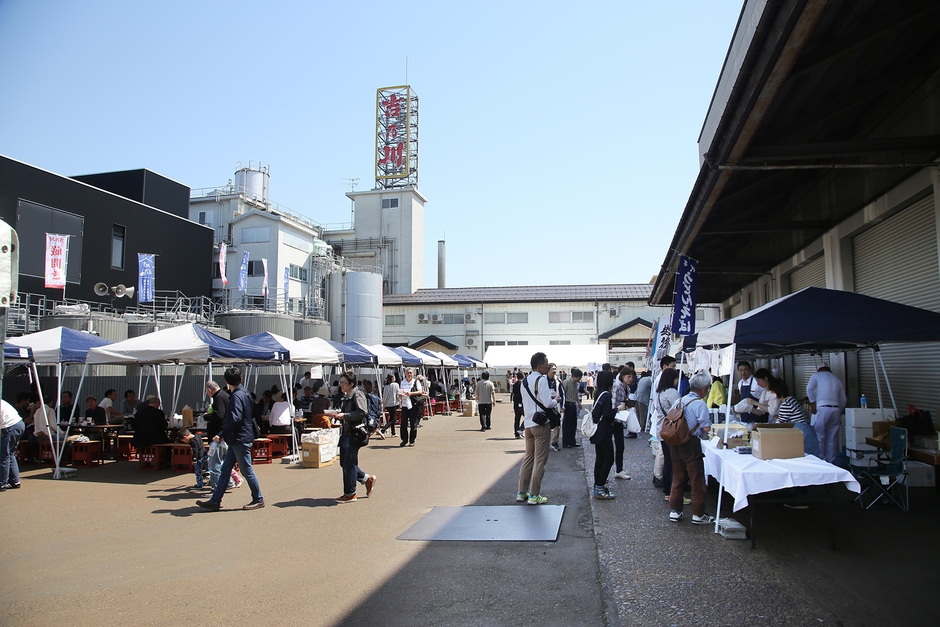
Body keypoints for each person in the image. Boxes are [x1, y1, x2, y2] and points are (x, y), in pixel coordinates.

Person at [197, 367, 265, 511]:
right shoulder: (245, 393)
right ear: (241, 378)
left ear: (226, 381)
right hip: (241, 436)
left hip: (239, 437)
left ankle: (258, 498)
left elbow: (235, 419)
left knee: (246, 470)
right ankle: (215, 500)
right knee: (225, 469)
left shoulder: (236, 396)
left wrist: (221, 433)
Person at [667, 372, 716, 525]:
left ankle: (675, 511)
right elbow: (706, 428)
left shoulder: (679, 401)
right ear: (703, 389)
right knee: (696, 479)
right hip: (691, 443)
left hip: (675, 443)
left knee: (678, 477)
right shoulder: (700, 404)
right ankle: (698, 514)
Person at [516, 352, 557, 505]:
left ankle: (522, 492)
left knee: (528, 458)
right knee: (540, 460)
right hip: (541, 424)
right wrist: (556, 401)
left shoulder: (525, 381)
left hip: (528, 424)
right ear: (540, 365)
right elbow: (547, 403)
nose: (548, 365)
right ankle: (534, 495)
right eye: (546, 363)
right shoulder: (542, 379)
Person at [332, 371, 377, 503]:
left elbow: (362, 412)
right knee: (344, 463)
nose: (341, 385)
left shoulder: (357, 394)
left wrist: (344, 415)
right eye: (340, 383)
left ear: (351, 384)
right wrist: (338, 414)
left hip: (355, 433)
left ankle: (351, 493)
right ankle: (366, 479)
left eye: (343, 383)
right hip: (347, 432)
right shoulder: (346, 396)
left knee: (349, 464)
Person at [806, 365, 846, 463]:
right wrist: (839, 410)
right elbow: (843, 399)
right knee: (831, 438)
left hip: (822, 409)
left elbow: (809, 389)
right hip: (835, 409)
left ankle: (821, 460)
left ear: (819, 370)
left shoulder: (816, 375)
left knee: (819, 436)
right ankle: (831, 462)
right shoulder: (837, 380)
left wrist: (813, 402)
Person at [653, 370, 682, 501]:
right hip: (672, 431)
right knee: (674, 462)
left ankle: (667, 491)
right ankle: (672, 493)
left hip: (662, 429)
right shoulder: (672, 393)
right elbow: (679, 410)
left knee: (667, 462)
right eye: (676, 379)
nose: (677, 381)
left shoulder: (659, 393)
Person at [589, 370, 618, 499]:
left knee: (600, 458)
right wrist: (618, 409)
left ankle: (597, 485)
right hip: (604, 431)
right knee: (609, 458)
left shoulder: (598, 393)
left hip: (597, 431)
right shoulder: (606, 395)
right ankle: (600, 487)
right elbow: (607, 414)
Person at [611, 368, 637, 478]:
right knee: (610, 448)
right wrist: (620, 408)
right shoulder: (617, 387)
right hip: (613, 419)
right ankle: (606, 474)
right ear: (622, 376)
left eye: (632, 377)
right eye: (628, 376)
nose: (630, 379)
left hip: (620, 419)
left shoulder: (627, 388)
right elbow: (613, 405)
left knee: (620, 445)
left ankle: (619, 470)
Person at [1, 399, 25, 491]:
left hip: (11, 426)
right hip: (18, 424)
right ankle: (15, 481)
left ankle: (2, 483)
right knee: (9, 453)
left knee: (4, 455)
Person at [398, 368, 424, 447]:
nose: (409, 375)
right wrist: (400, 397)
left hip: (413, 405)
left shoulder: (416, 382)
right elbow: (400, 392)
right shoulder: (402, 382)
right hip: (405, 405)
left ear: (413, 374)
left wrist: (411, 393)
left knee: (413, 423)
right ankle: (404, 439)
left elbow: (420, 392)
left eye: (411, 373)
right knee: (403, 423)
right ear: (405, 374)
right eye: (408, 373)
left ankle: (412, 440)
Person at [561, 367, 582, 448]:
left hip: (573, 404)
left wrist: (578, 403)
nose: (579, 380)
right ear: (575, 376)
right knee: (567, 424)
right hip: (567, 404)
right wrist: (562, 406)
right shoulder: (566, 382)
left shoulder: (576, 384)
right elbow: (562, 394)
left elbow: (575, 394)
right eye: (579, 378)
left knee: (573, 424)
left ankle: (572, 441)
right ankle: (566, 442)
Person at [546, 363, 564, 451]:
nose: (554, 371)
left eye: (555, 369)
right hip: (545, 406)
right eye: (552, 369)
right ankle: (545, 443)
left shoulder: (557, 381)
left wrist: (562, 405)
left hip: (555, 405)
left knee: (557, 424)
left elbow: (562, 393)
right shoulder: (543, 380)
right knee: (546, 425)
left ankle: (555, 442)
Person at [511, 372, 525, 439]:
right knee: (528, 417)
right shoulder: (522, 384)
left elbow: (513, 393)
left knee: (517, 418)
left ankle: (516, 433)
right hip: (521, 403)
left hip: (516, 403)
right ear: (523, 376)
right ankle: (521, 429)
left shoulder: (515, 384)